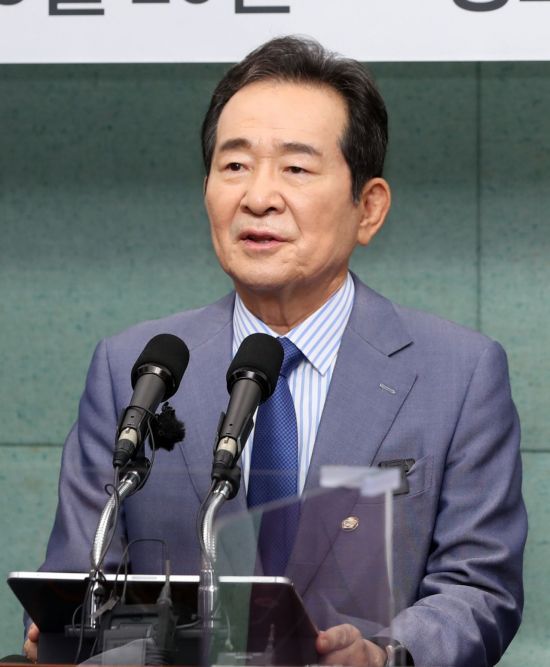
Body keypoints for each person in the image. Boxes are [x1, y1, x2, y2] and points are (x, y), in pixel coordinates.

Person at [24, 36, 526, 666]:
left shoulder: (458, 375)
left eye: (296, 169)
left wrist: (385, 656)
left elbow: (479, 589)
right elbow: (78, 576)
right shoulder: (137, 370)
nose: (258, 197)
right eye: (235, 165)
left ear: (368, 208)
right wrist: (66, 629)